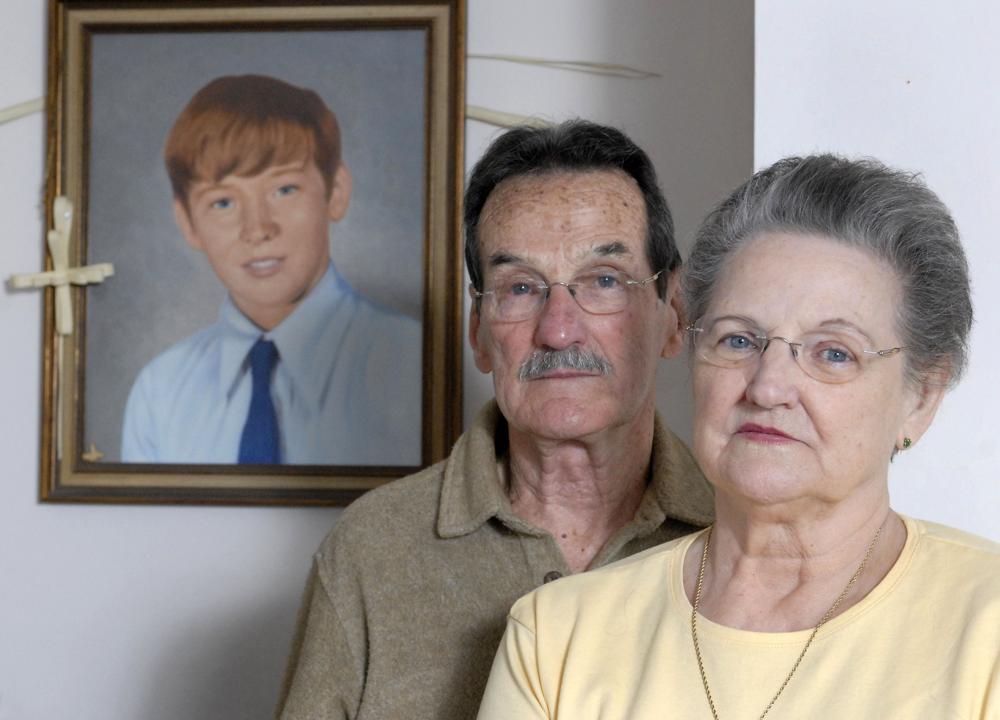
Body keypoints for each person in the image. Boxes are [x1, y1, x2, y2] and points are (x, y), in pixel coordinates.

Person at [477, 154, 1000, 719]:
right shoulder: (556, 636)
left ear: (921, 398)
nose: (769, 386)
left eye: (833, 353)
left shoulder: (985, 627)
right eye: (739, 341)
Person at [276, 120, 715, 719]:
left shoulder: (743, 536)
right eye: (520, 289)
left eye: (604, 280)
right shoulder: (371, 553)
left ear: (673, 312)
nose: (559, 330)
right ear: (479, 333)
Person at [120, 74, 421, 465]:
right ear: (188, 222)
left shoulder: (415, 367)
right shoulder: (159, 391)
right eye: (223, 202)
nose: (258, 229)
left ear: (336, 191)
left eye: (284, 190)